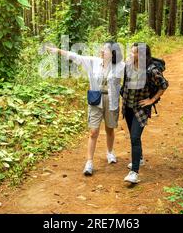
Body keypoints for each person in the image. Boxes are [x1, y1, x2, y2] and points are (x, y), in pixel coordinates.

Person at [47, 42, 125, 176]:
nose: (102, 51)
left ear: (112, 53)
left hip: (111, 100)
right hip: (95, 99)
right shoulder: (93, 62)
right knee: (93, 131)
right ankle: (89, 162)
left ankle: (110, 152)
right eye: (102, 48)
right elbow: (75, 56)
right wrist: (57, 50)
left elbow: (135, 70)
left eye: (105, 49)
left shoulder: (120, 66)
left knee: (109, 129)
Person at [120, 43, 168, 184]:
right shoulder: (128, 66)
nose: (130, 54)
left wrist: (152, 100)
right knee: (133, 135)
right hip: (128, 106)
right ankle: (139, 158)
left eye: (133, 52)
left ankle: (134, 172)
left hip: (140, 109)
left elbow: (164, 85)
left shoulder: (151, 70)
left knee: (135, 137)